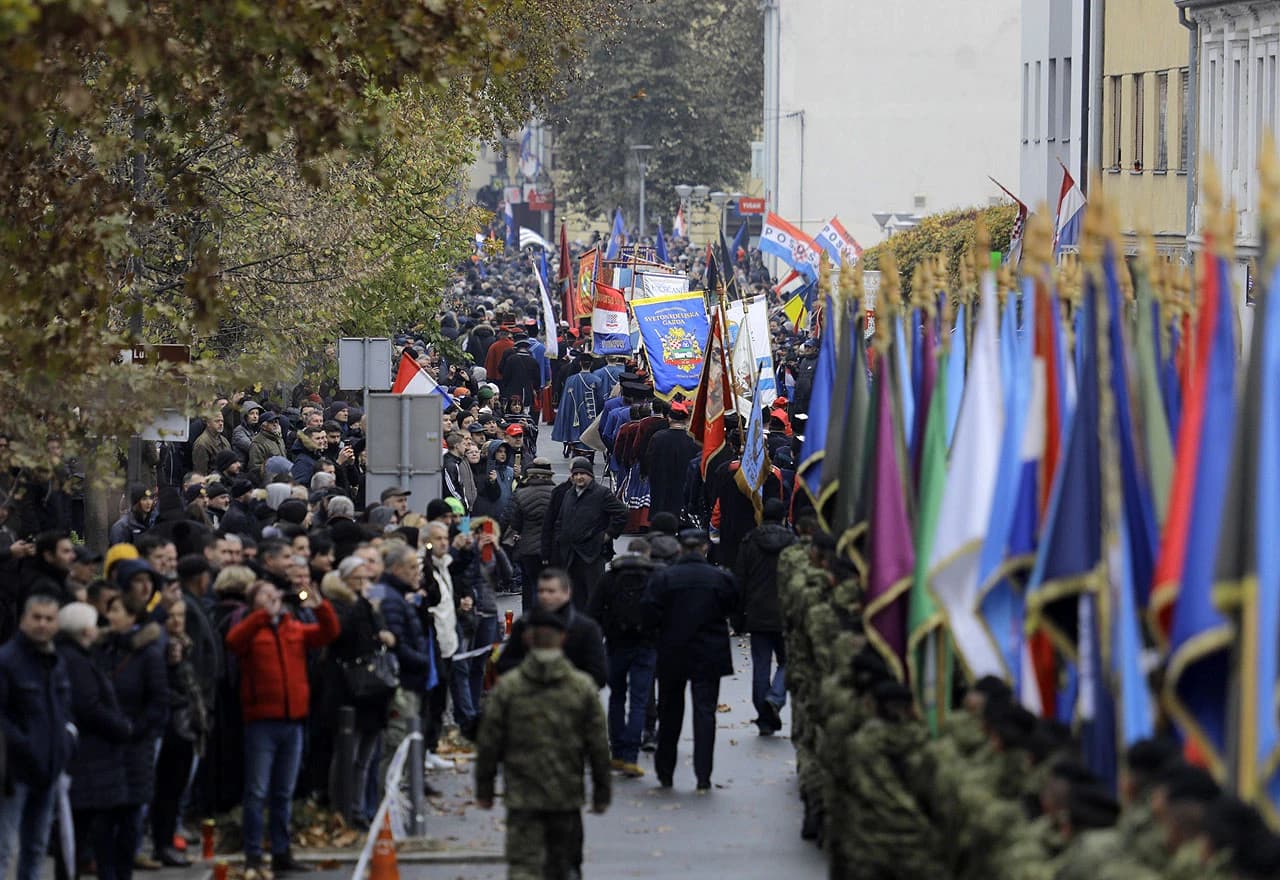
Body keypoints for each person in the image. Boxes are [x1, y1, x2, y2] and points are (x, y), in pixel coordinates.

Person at [474, 607, 611, 880]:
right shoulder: (581, 686)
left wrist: (485, 788)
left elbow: (489, 740)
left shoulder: (509, 687)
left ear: (527, 640)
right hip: (566, 794)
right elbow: (597, 743)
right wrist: (601, 791)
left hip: (522, 793)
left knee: (524, 866)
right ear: (562, 639)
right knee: (563, 865)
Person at [225, 579, 339, 878]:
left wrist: (321, 606)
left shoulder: (293, 628)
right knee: (257, 791)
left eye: (274, 593)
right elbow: (234, 642)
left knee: (283, 792)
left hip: (293, 720)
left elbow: (329, 633)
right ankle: (253, 854)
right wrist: (262, 615)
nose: (273, 597)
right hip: (262, 722)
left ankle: (281, 851)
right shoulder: (251, 629)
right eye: (264, 594)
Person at [642, 529, 739, 792]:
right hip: (710, 653)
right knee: (705, 713)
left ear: (680, 549)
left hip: (673, 651)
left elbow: (650, 612)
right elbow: (734, 607)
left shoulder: (665, 578)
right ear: (704, 548)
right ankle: (703, 774)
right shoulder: (719, 578)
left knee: (670, 712)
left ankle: (665, 771)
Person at [55, 602, 135, 880]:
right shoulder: (76, 660)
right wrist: (122, 727)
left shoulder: (78, 656)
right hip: (92, 757)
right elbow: (89, 706)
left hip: (94, 757)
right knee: (81, 832)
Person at [0, 593, 75, 880]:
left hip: (49, 769)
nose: (42, 625)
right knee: (4, 848)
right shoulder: (7, 661)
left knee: (36, 847)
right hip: (14, 774)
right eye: (37, 617)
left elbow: (65, 709)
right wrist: (25, 746)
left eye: (49, 619)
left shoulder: (55, 661)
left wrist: (67, 741)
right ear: (23, 620)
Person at [318, 557, 394, 827]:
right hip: (349, 688)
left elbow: (379, 631)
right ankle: (344, 809)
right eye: (357, 580)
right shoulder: (341, 606)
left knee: (365, 756)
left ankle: (359, 808)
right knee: (347, 754)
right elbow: (340, 636)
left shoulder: (366, 606)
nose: (364, 585)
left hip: (372, 687)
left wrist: (383, 630)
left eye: (366, 579)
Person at [96, 593, 168, 873]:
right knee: (103, 821)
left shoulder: (148, 655)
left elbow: (158, 701)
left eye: (117, 610)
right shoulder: (102, 649)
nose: (110, 616)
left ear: (132, 616)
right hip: (105, 744)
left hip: (136, 744)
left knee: (129, 818)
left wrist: (135, 729)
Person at [587, 538, 657, 778]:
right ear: (647, 554)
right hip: (646, 646)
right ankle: (630, 756)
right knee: (638, 701)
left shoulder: (610, 578)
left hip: (615, 644)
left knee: (617, 697)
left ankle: (616, 753)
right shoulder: (654, 578)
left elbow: (592, 612)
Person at [150, 598, 209, 867]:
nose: (176, 622)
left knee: (176, 787)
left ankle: (168, 837)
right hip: (169, 724)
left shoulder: (185, 646)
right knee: (164, 788)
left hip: (186, 724)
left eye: (180, 616)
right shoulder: (160, 648)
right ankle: (160, 842)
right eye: (170, 616)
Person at [733, 497, 795, 735]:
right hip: (785, 612)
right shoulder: (792, 543)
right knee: (788, 660)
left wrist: (737, 617)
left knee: (760, 665)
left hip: (757, 612)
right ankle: (776, 697)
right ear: (782, 517)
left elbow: (740, 581)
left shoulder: (749, 542)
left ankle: (764, 714)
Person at [497, 569, 607, 688]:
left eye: (551, 591)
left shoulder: (585, 629)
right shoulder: (524, 625)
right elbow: (504, 665)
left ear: (566, 593)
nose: (545, 596)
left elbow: (599, 674)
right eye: (541, 591)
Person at [549, 457, 627, 610]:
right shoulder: (569, 494)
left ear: (590, 475)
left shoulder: (602, 493)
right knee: (574, 595)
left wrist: (608, 534)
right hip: (571, 554)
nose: (579, 477)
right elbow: (560, 519)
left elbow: (622, 513)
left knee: (593, 595)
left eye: (582, 474)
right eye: (575, 474)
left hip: (591, 554)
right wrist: (559, 538)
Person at [503, 457, 555, 612]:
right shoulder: (557, 493)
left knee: (529, 584)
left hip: (527, 548)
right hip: (550, 548)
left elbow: (515, 523)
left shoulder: (521, 494)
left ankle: (528, 617)